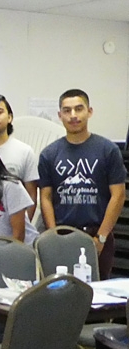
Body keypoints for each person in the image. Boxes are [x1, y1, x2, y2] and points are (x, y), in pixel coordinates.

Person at [38, 89, 126, 279]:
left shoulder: (107, 150)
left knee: (98, 293)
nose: (73, 116)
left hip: (97, 234)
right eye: (67, 111)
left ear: (90, 111)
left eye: (79, 109)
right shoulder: (49, 154)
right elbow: (45, 197)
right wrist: (54, 234)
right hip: (62, 233)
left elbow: (118, 195)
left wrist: (101, 238)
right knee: (58, 289)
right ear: (60, 115)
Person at [0, 94, 38, 220]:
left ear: (10, 117)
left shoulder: (24, 151)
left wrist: (24, 229)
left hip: (15, 227)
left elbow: (31, 195)